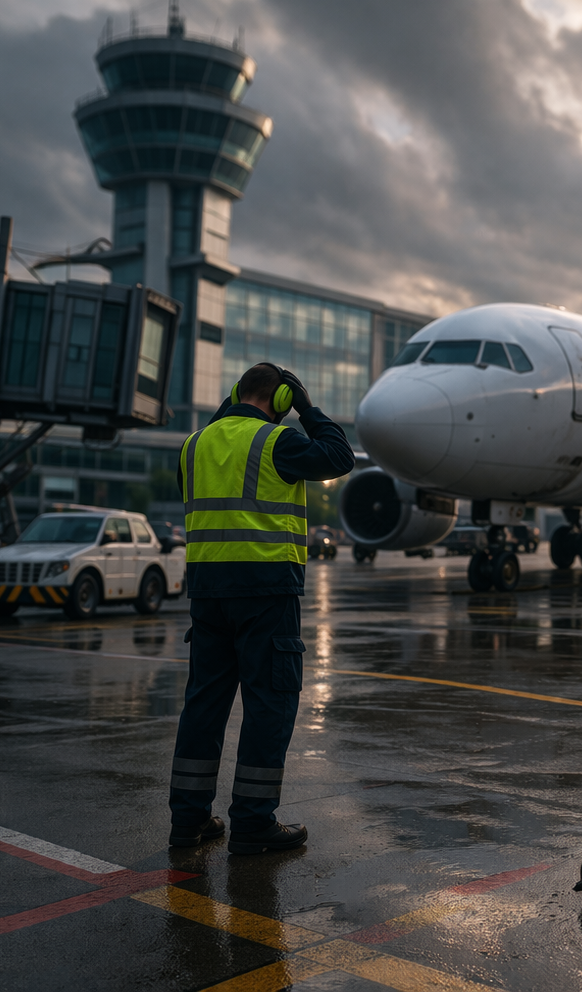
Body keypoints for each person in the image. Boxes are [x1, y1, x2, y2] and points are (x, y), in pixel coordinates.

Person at [168, 363, 354, 854]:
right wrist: (307, 408)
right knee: (269, 706)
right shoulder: (277, 443)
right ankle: (252, 823)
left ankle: (187, 822)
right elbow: (340, 457)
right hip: (265, 591)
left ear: (235, 393)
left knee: (203, 707)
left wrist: (231, 405)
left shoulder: (193, 445)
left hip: (208, 593)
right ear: (281, 400)